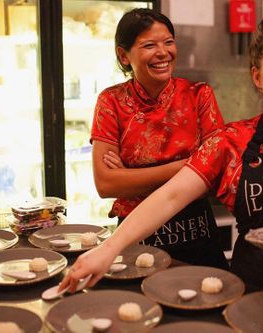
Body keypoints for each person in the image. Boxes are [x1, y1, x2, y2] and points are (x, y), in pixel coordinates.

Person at [62, 9, 263, 317]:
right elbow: (169, 196)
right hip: (258, 300)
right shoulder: (230, 143)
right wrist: (107, 250)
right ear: (256, 76)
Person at [89, 8, 228, 269]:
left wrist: (129, 177)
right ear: (124, 55)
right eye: (149, 45)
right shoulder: (111, 102)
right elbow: (106, 184)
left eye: (168, 42)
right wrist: (189, 165)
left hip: (196, 232)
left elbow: (217, 174)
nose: (163, 52)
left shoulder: (199, 95)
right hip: (136, 237)